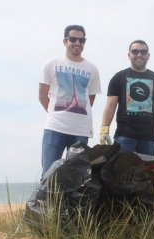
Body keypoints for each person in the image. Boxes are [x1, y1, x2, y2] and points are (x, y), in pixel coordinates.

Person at [39, 25, 101, 180]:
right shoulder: (51, 64)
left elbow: (90, 98)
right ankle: (47, 205)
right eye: (73, 39)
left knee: (77, 176)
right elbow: (42, 95)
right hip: (54, 128)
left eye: (81, 40)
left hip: (80, 131)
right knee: (48, 174)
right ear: (65, 41)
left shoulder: (92, 69)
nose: (77, 43)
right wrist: (56, 113)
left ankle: (71, 205)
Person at [99, 40, 154, 156]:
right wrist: (104, 130)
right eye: (135, 51)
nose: (139, 55)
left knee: (147, 173)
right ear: (129, 55)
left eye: (143, 52)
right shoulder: (119, 77)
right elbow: (110, 105)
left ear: (148, 55)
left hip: (150, 137)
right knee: (121, 172)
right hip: (124, 135)